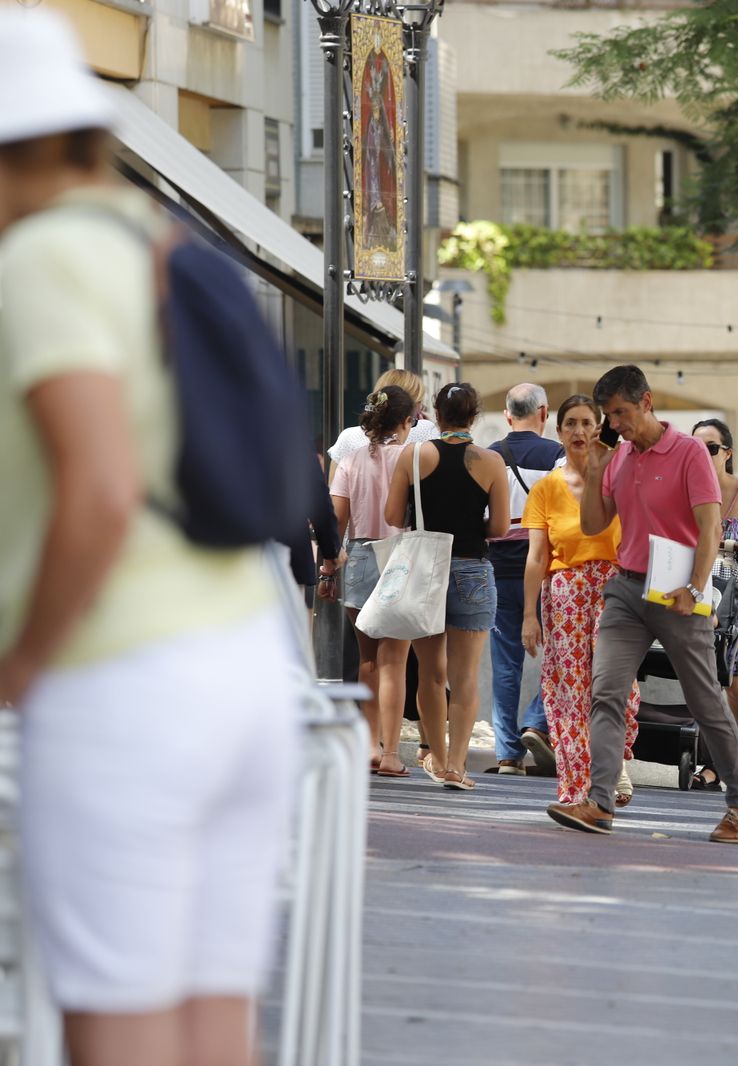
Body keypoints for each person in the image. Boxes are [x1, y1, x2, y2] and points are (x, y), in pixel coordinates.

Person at [0, 14, 297, 1062]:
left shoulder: (41, 258)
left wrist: (22, 663)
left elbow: (100, 487)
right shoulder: (164, 240)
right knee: (211, 1019)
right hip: (247, 668)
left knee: (116, 1025)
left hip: (121, 681)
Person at [547, 365, 738, 843]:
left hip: (679, 592)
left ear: (646, 401)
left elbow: (710, 529)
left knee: (705, 702)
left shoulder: (687, 453)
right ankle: (599, 803)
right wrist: (594, 468)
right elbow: (596, 525)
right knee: (605, 692)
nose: (613, 423)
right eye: (608, 415)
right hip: (626, 588)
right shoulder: (617, 458)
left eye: (620, 412)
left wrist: (696, 588)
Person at [385, 382, 510, 792]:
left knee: (430, 675)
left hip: (425, 571)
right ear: (474, 416)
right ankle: (457, 767)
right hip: (472, 569)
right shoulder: (491, 462)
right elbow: (500, 527)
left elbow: (391, 515)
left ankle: (436, 759)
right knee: (466, 676)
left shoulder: (414, 454)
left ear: (435, 415)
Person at [522, 394, 641, 809]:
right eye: (570, 423)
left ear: (599, 429)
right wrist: (528, 616)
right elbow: (536, 556)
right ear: (558, 433)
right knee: (570, 690)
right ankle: (577, 788)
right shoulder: (546, 489)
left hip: (616, 588)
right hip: (566, 590)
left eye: (587, 423)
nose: (579, 431)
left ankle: (612, 762)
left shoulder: (620, 478)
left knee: (617, 686)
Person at [330, 385, 416, 777]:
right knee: (395, 660)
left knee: (367, 660)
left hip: (362, 555)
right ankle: (394, 753)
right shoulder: (413, 460)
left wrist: (327, 570)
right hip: (401, 556)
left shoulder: (350, 461)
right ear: (405, 421)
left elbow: (338, 522)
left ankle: (369, 744)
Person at [485, 382, 564, 776]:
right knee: (558, 658)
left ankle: (507, 754)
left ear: (506, 415)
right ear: (544, 413)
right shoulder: (558, 456)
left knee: (504, 662)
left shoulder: (490, 456)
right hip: (545, 571)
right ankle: (537, 721)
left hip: (498, 570)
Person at [688, 417, 738, 790]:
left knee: (736, 680)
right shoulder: (684, 492)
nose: (703, 454)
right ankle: (716, 759)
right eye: (696, 447)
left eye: (711, 448)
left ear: (727, 453)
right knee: (704, 679)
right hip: (697, 593)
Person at [326, 366, 436, 478]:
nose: (421, 407)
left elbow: (333, 487)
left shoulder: (348, 437)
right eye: (419, 401)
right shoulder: (426, 430)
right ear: (409, 404)